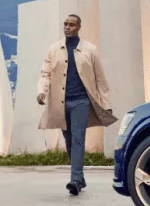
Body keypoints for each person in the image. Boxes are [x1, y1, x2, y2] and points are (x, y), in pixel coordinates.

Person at [37, 14, 117, 195]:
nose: (67, 27)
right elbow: (45, 74)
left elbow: (100, 79)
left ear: (78, 27)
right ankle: (79, 177)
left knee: (78, 138)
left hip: (81, 101)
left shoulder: (90, 50)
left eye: (71, 25)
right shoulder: (54, 49)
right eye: (65, 24)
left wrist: (106, 103)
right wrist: (41, 91)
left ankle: (75, 180)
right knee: (69, 139)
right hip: (60, 102)